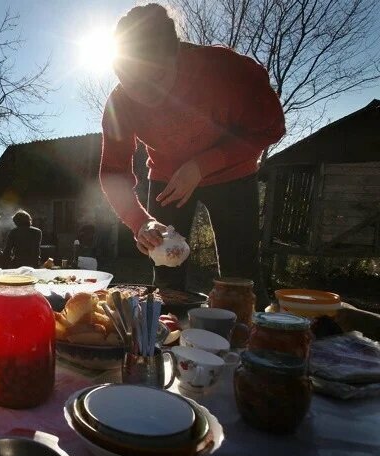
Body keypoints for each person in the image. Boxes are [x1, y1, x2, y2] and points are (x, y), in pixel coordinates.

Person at [99, 3, 285, 307]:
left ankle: (253, 342)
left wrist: (203, 164)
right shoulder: (119, 102)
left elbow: (272, 127)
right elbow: (113, 172)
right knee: (166, 270)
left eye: (156, 79)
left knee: (242, 274)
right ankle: (168, 341)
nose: (144, 97)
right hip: (167, 179)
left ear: (176, 53)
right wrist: (139, 222)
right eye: (131, 82)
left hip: (232, 172)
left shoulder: (230, 71)